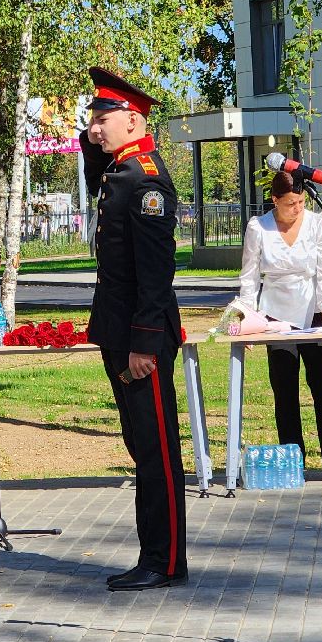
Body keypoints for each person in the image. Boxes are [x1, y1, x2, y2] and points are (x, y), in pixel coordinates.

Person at [82, 67, 188, 592]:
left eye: (101, 119)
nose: (92, 129)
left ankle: (165, 560)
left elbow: (155, 268)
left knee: (157, 448)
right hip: (120, 331)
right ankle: (155, 554)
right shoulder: (121, 171)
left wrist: (145, 342)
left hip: (140, 336)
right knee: (140, 443)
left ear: (131, 119)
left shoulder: (143, 177)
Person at [238, 170, 322, 481]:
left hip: (313, 310)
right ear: (275, 201)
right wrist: (248, 317)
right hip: (275, 314)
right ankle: (293, 460)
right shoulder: (258, 227)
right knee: (285, 389)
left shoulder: (317, 223)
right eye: (290, 203)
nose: (297, 208)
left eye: (301, 202)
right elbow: (249, 277)